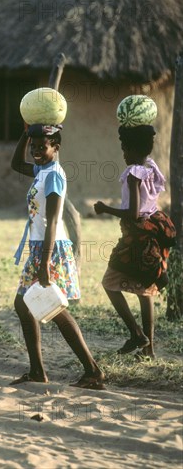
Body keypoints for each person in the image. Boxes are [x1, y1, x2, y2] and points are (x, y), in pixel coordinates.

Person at [11, 124, 105, 389]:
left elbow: (53, 221)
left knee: (52, 307)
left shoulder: (54, 175)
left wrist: (44, 263)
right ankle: (38, 370)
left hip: (50, 248)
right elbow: (16, 164)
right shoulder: (42, 170)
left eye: (43, 146)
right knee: (25, 305)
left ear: (56, 148)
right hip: (41, 246)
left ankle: (92, 370)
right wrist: (25, 133)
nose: (37, 151)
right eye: (34, 146)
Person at [94, 125, 176, 360]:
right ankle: (149, 349)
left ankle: (136, 333)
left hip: (136, 238)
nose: (122, 153)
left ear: (130, 149)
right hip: (151, 237)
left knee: (109, 283)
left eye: (123, 148)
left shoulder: (133, 174)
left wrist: (105, 209)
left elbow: (134, 213)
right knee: (145, 291)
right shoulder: (151, 167)